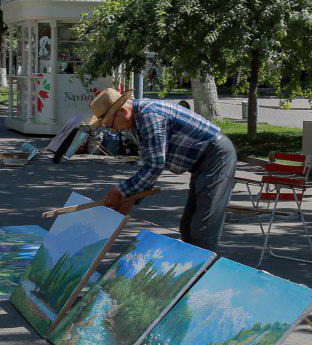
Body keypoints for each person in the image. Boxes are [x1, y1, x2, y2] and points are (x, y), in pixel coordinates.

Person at [89, 88, 237, 250]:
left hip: (216, 156)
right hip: (202, 161)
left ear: (122, 112)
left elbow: (155, 165)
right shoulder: (138, 121)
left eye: (110, 125)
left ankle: (205, 264)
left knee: (202, 230)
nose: (113, 130)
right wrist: (131, 198)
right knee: (187, 228)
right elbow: (150, 166)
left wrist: (120, 191)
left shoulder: (149, 116)